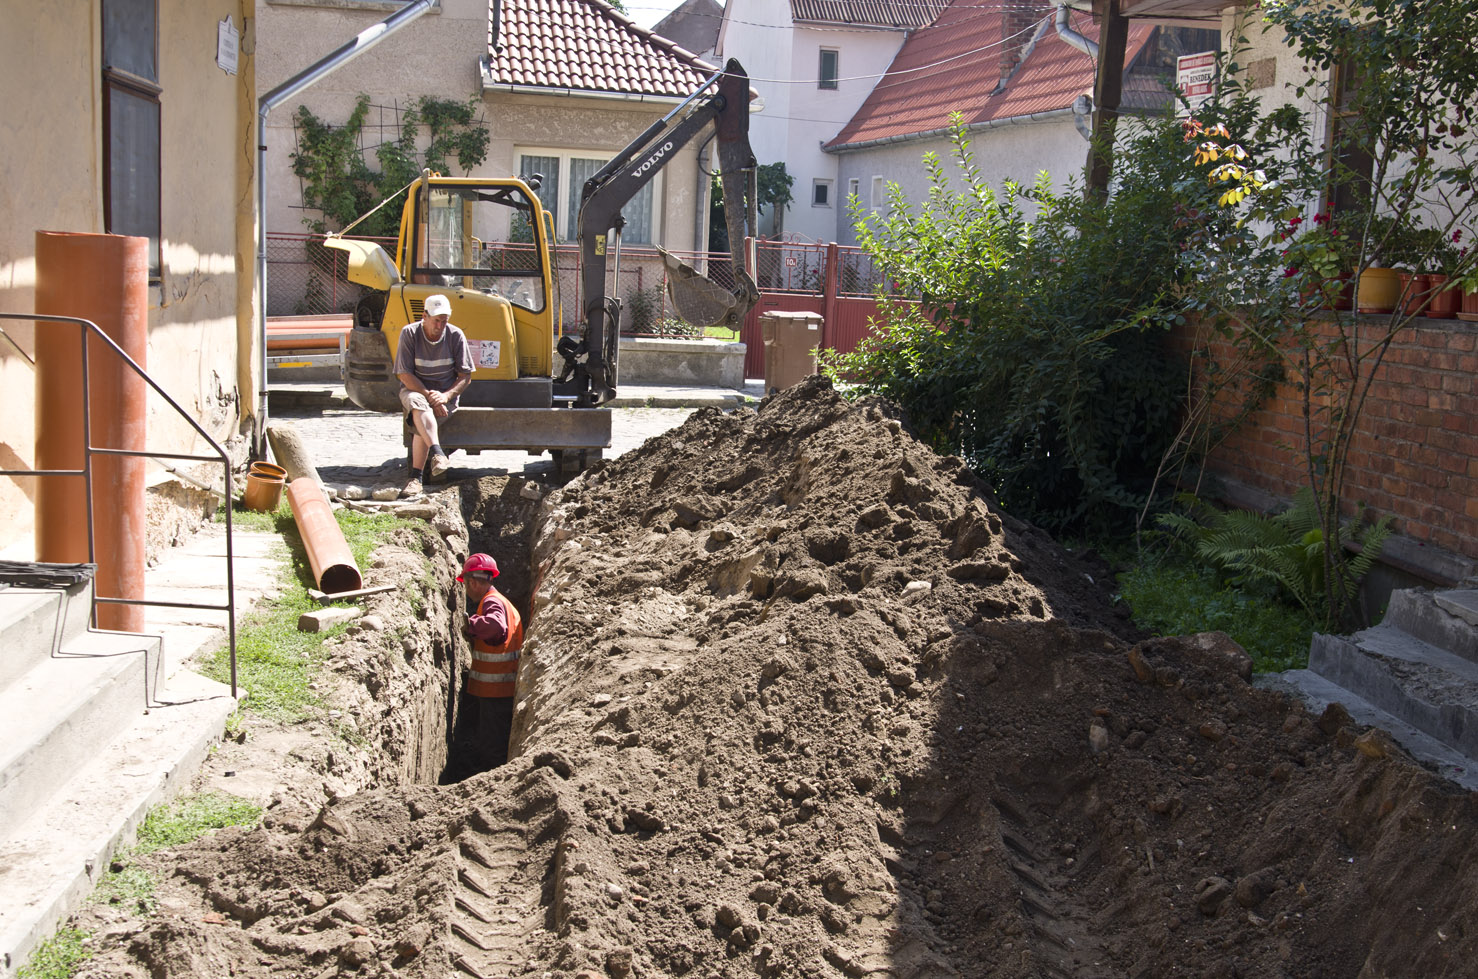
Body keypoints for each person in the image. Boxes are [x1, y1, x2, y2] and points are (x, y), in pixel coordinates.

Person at [394, 294, 473, 497]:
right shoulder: (409, 334)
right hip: (416, 390)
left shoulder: (455, 335)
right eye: (436, 320)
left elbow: (465, 376)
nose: (440, 325)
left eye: (444, 321)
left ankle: (416, 478)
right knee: (418, 404)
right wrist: (430, 396)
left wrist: (445, 397)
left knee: (421, 419)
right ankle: (438, 453)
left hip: (444, 396)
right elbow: (404, 374)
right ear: (425, 316)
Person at [459, 552, 523, 767]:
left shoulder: (492, 602)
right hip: (501, 688)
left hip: (495, 690)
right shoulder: (501, 602)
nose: (467, 591)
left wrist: (471, 625)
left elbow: (495, 626)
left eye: (466, 585)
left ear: (473, 582)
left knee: (491, 746)